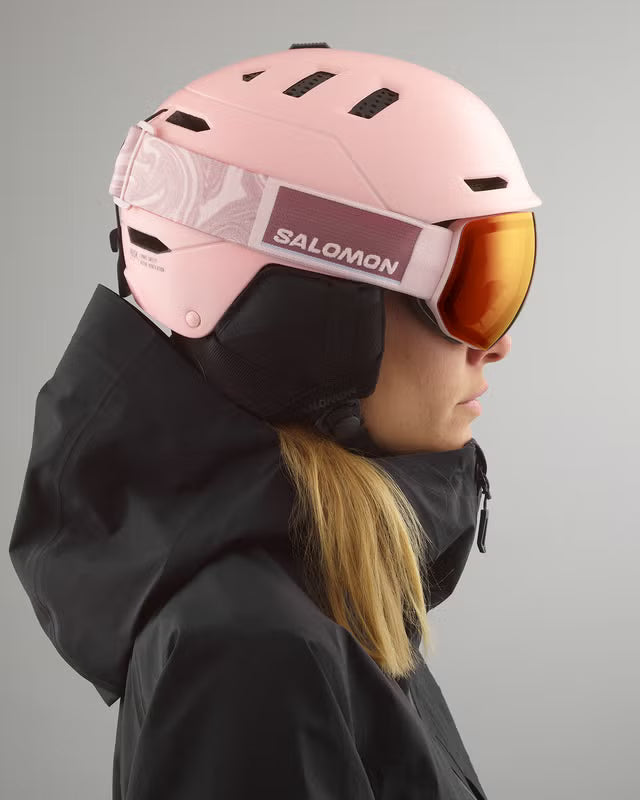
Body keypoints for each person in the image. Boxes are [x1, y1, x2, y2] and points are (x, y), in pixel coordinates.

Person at [9, 43, 541, 799]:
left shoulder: (323, 580)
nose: (496, 343)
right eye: (468, 290)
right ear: (306, 321)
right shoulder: (251, 651)